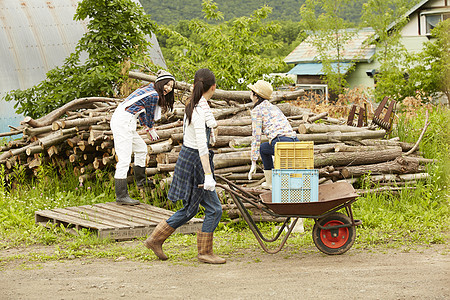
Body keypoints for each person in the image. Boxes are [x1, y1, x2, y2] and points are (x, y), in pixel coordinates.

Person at [144, 68, 225, 264]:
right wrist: (208, 175)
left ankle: (155, 239)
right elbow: (202, 148)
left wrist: (213, 130)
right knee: (214, 209)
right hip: (195, 162)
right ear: (213, 87)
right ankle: (204, 252)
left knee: (190, 209)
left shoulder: (198, 105)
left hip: (190, 159)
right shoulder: (197, 111)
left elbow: (208, 130)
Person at [110, 70, 176, 205]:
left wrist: (147, 127)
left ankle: (141, 181)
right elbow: (149, 114)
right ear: (160, 82)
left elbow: (140, 110)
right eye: (167, 85)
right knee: (124, 159)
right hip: (124, 122)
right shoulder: (153, 95)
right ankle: (121, 195)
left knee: (141, 148)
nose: (168, 89)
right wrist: (150, 128)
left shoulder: (149, 89)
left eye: (171, 86)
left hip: (124, 119)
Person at [247, 80, 299, 189]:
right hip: (295, 141)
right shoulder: (274, 107)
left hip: (281, 142)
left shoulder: (257, 110)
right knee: (264, 148)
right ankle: (269, 183)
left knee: (264, 147)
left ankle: (274, 184)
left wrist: (253, 161)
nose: (250, 93)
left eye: (251, 91)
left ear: (256, 95)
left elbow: (256, 137)